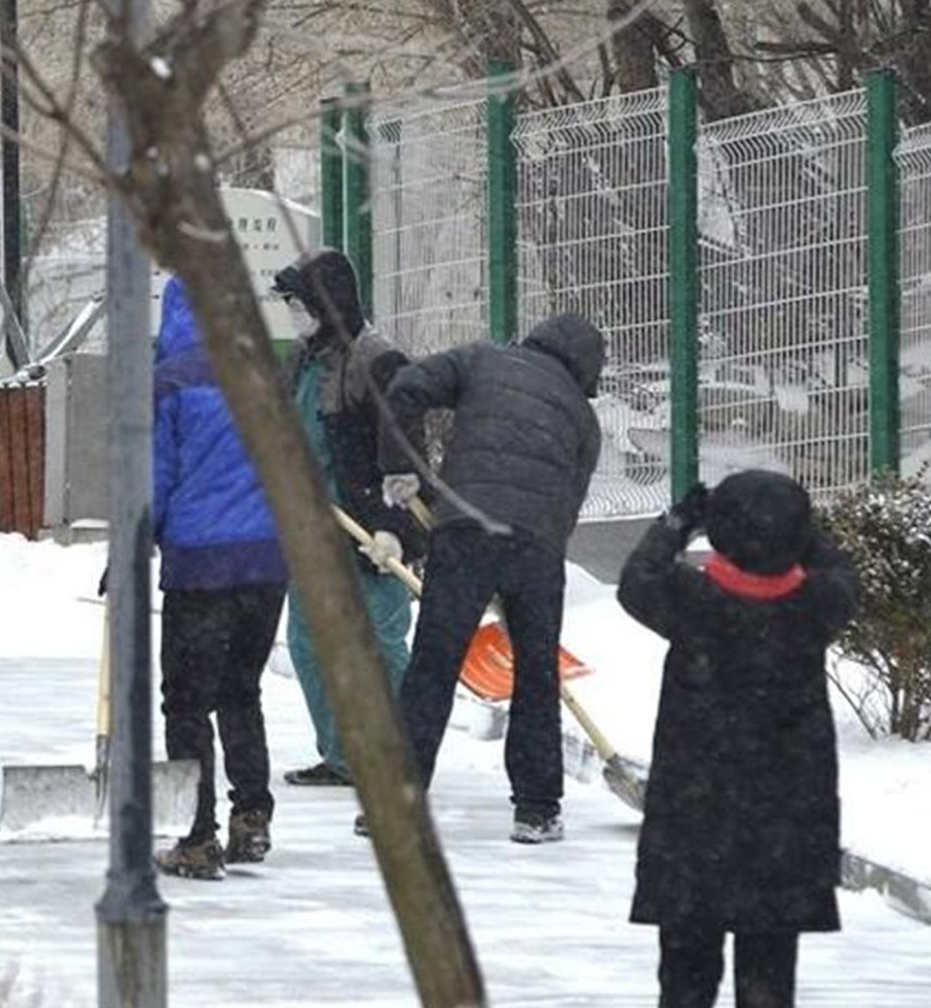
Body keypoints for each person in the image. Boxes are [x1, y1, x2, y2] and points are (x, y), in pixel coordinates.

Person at [616, 471, 857, 1008]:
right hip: (783, 837)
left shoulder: (690, 601)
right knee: (767, 989)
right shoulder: (814, 606)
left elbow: (636, 577)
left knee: (684, 986)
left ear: (715, 535)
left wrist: (675, 520)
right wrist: (799, 531)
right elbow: (838, 569)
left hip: (693, 832)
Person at [379, 311, 606, 843]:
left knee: (433, 665)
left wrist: (403, 465)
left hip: (463, 530)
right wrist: (531, 563)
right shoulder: (582, 418)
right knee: (536, 675)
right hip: (536, 546)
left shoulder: (481, 359)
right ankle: (536, 808)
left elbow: (405, 387)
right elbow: (567, 508)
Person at [149, 275, 287, 881]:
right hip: (265, 563)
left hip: (200, 568)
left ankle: (196, 836)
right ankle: (251, 816)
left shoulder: (171, 383)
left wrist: (132, 547)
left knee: (185, 702)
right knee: (240, 691)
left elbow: (155, 479)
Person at [269, 251, 419, 789]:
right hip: (311, 526)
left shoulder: (377, 361)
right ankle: (343, 755)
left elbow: (407, 454)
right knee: (310, 640)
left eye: (297, 303)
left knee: (378, 640)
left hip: (367, 528)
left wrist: (394, 528)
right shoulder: (302, 360)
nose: (292, 314)